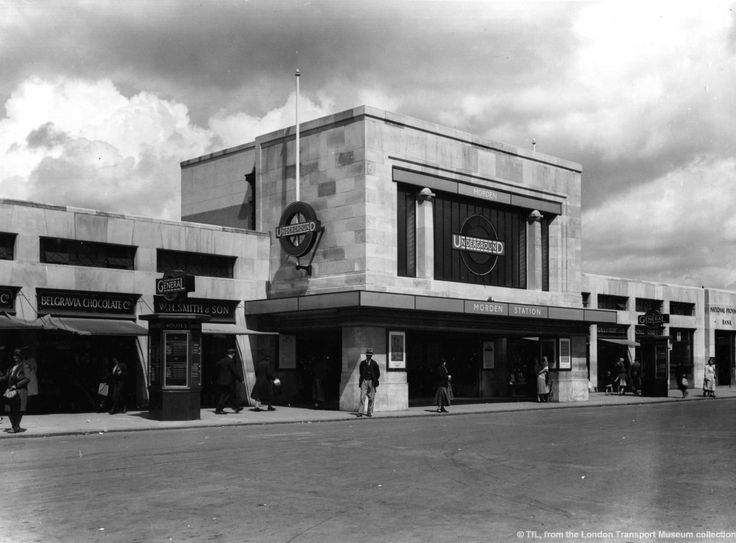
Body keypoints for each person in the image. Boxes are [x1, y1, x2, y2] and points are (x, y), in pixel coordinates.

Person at [1, 349, 30, 433]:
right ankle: (15, 426)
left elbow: (27, 378)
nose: (15, 357)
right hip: (10, 390)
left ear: (21, 356)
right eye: (14, 356)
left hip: (20, 390)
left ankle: (15, 427)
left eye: (17, 356)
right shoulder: (12, 367)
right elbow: (7, 377)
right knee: (8, 409)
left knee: (19, 409)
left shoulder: (25, 366)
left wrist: (16, 385)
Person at [215, 348, 243, 414]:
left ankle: (236, 407)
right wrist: (240, 379)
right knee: (225, 396)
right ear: (233, 354)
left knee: (231, 394)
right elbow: (235, 371)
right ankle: (219, 409)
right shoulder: (230, 361)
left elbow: (216, 369)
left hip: (221, 381)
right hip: (228, 382)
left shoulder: (221, 361)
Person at [357, 348, 380, 417]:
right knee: (362, 396)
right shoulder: (362, 363)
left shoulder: (374, 363)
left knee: (371, 397)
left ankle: (369, 412)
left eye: (370, 355)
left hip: (372, 381)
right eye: (367, 355)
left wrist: (374, 379)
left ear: (371, 356)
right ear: (366, 355)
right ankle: (360, 412)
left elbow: (378, 373)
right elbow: (361, 372)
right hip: (364, 380)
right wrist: (362, 380)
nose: (368, 356)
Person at [20, 348, 39, 413]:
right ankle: (27, 409)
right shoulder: (22, 361)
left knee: (32, 394)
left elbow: (35, 369)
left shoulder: (32, 360)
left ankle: (32, 409)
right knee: (26, 394)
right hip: (25, 379)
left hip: (32, 379)